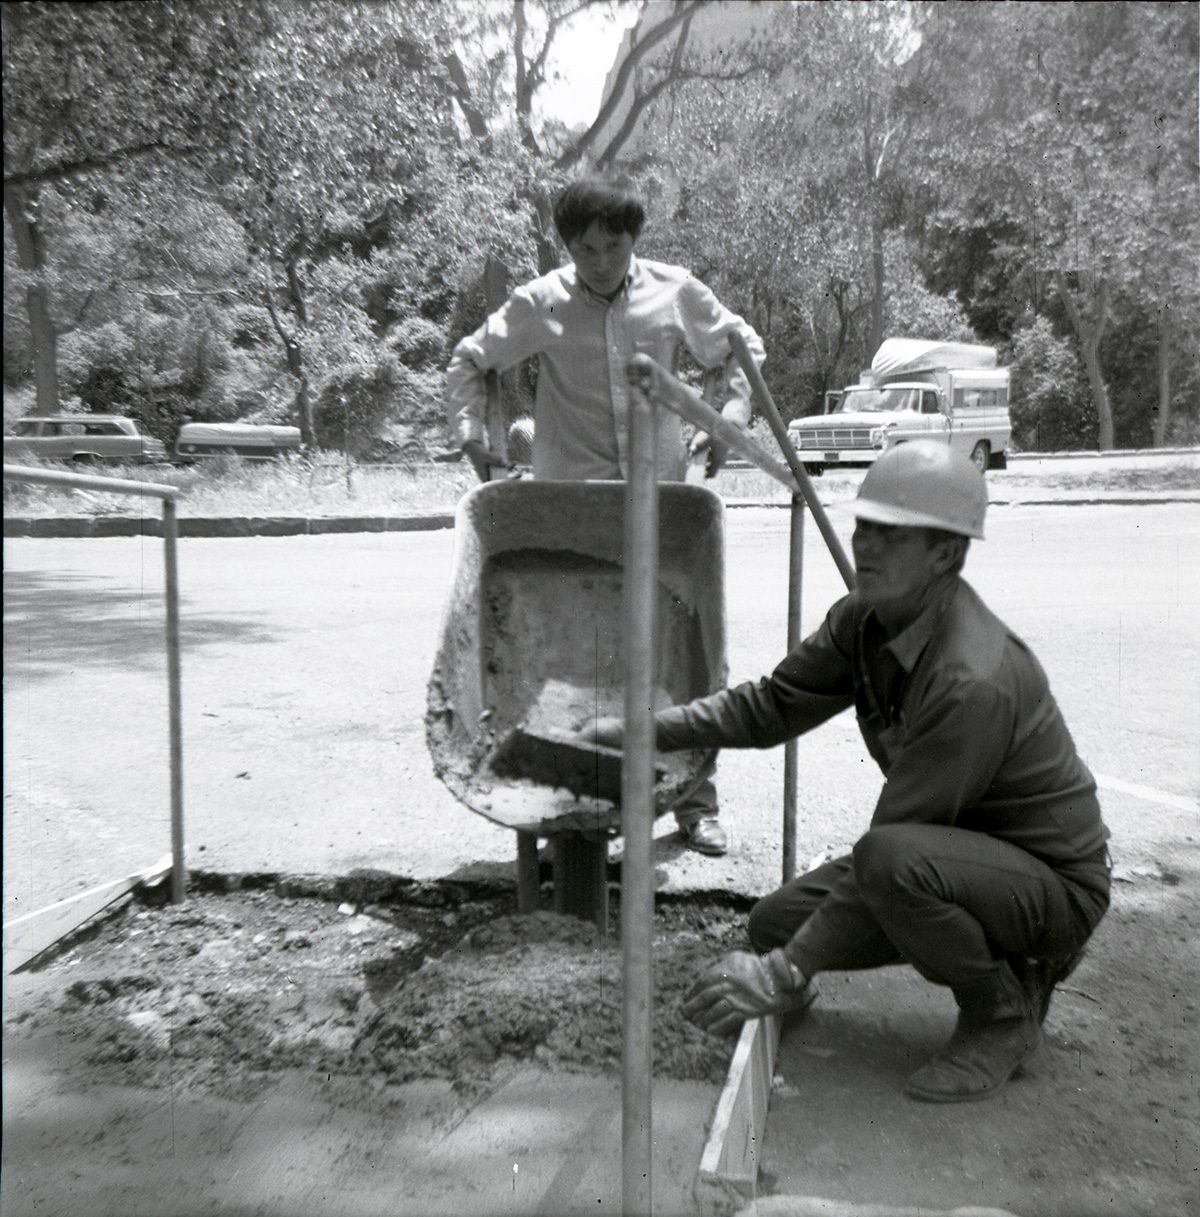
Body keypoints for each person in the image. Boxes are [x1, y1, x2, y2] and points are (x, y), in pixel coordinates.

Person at [580, 441, 1111, 1102]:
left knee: (887, 862)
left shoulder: (974, 677)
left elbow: (891, 848)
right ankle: (985, 962)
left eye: (894, 534)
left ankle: (1002, 1013)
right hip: (952, 855)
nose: (867, 545)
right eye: (864, 526)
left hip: (1049, 885)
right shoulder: (865, 619)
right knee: (777, 919)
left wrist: (780, 972)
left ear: (946, 553)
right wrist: (647, 729)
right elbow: (772, 706)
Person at [445, 175, 766, 857]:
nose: (600, 261)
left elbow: (743, 347)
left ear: (633, 239)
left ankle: (695, 801)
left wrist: (731, 415)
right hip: (570, 513)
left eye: (613, 245)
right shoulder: (541, 302)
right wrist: (478, 439)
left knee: (674, 655)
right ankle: (569, 798)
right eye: (585, 248)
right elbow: (471, 360)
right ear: (568, 246)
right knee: (580, 656)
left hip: (663, 508)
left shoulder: (675, 290)